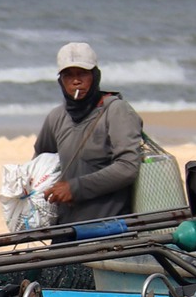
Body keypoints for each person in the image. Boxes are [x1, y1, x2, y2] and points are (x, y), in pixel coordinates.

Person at [33, 40, 145, 224]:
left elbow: (127, 167)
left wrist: (75, 188)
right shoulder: (56, 117)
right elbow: (40, 163)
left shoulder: (116, 110)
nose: (76, 81)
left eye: (82, 73)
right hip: (65, 227)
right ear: (61, 81)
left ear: (95, 76)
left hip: (110, 228)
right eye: (68, 75)